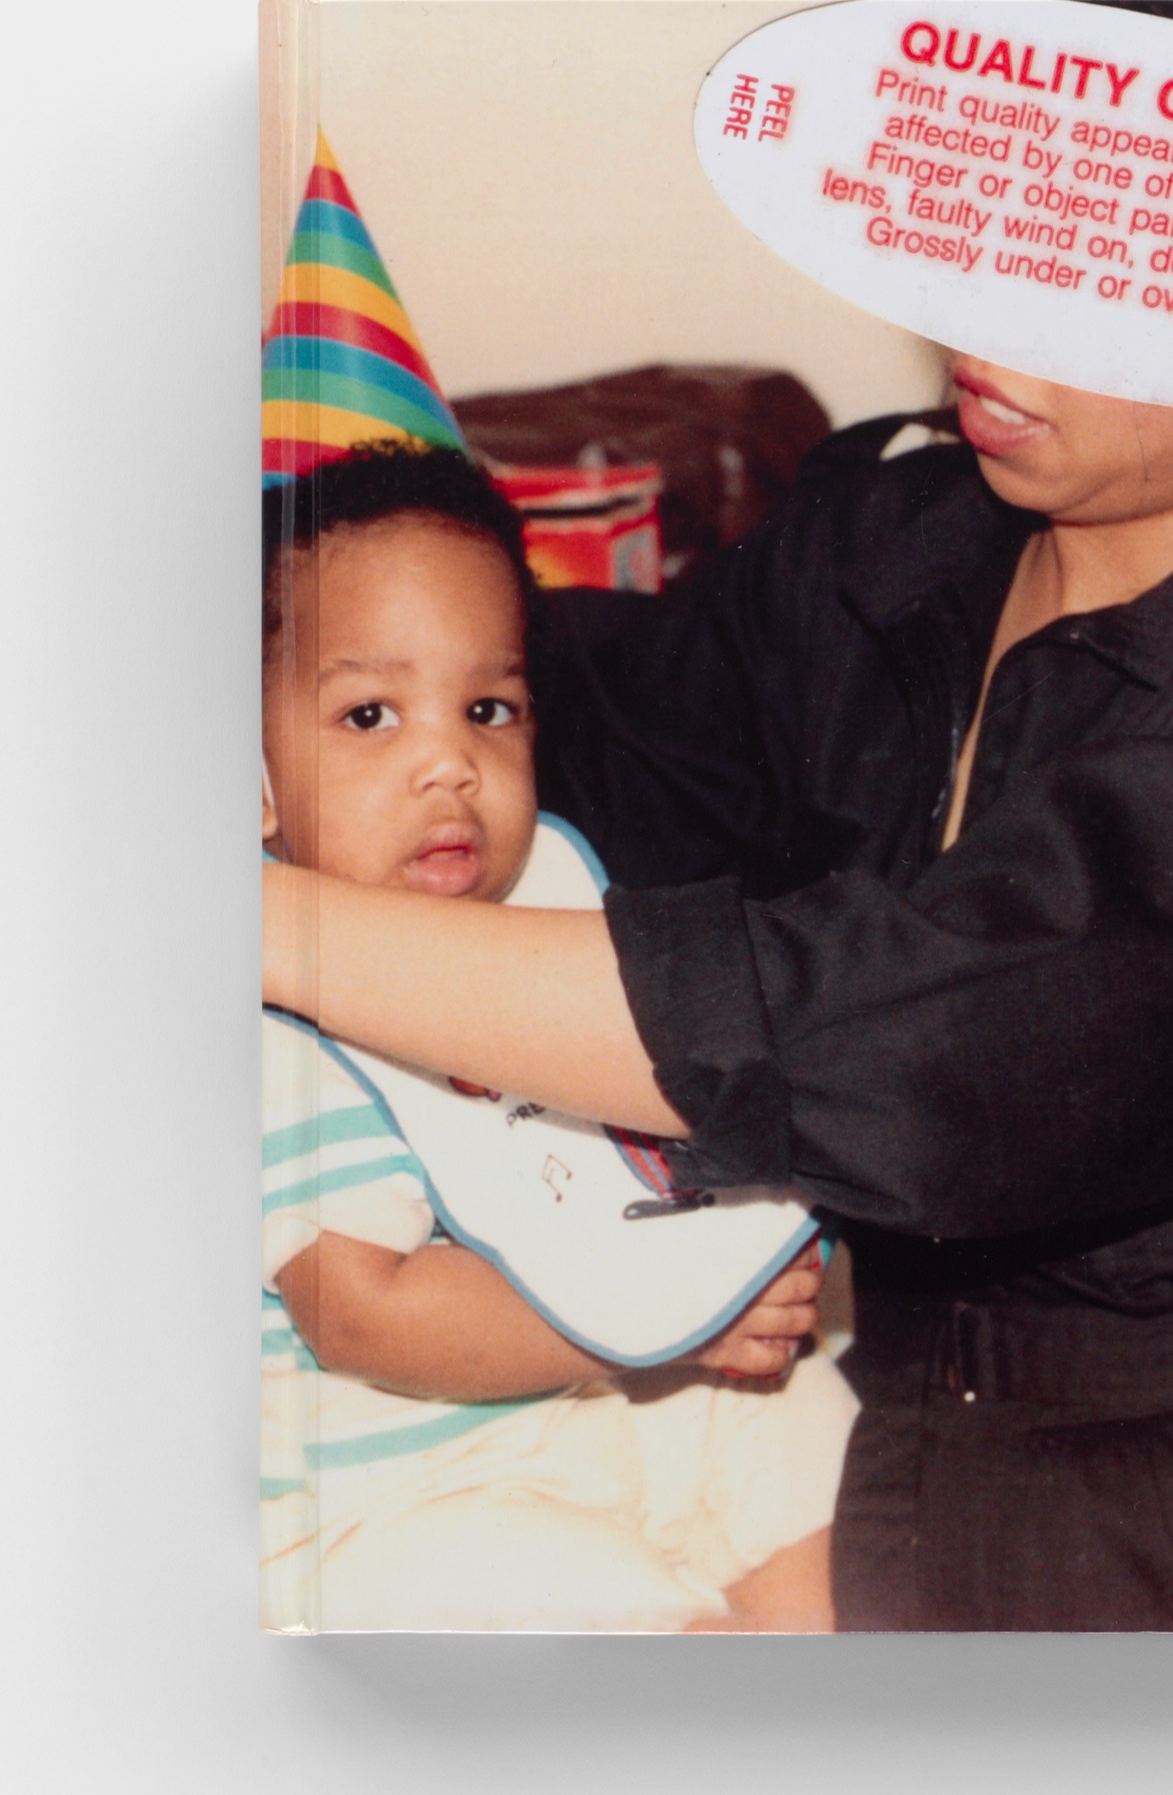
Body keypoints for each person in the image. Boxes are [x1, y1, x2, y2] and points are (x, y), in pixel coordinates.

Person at [261, 0, 1173, 1631]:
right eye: (1004, 212)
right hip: (874, 1420)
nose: (986, 302)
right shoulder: (895, 540)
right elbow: (577, 715)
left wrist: (264, 923)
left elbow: (931, 1038)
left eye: (1096, 265)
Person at [258, 443, 857, 1633]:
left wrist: (728, 1271)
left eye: (489, 709)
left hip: (618, 1394)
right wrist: (669, 1318)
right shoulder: (272, 1033)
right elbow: (369, 1312)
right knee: (594, 1618)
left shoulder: (552, 926)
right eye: (369, 715)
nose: (450, 762)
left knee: (798, 1435)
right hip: (402, 1494)